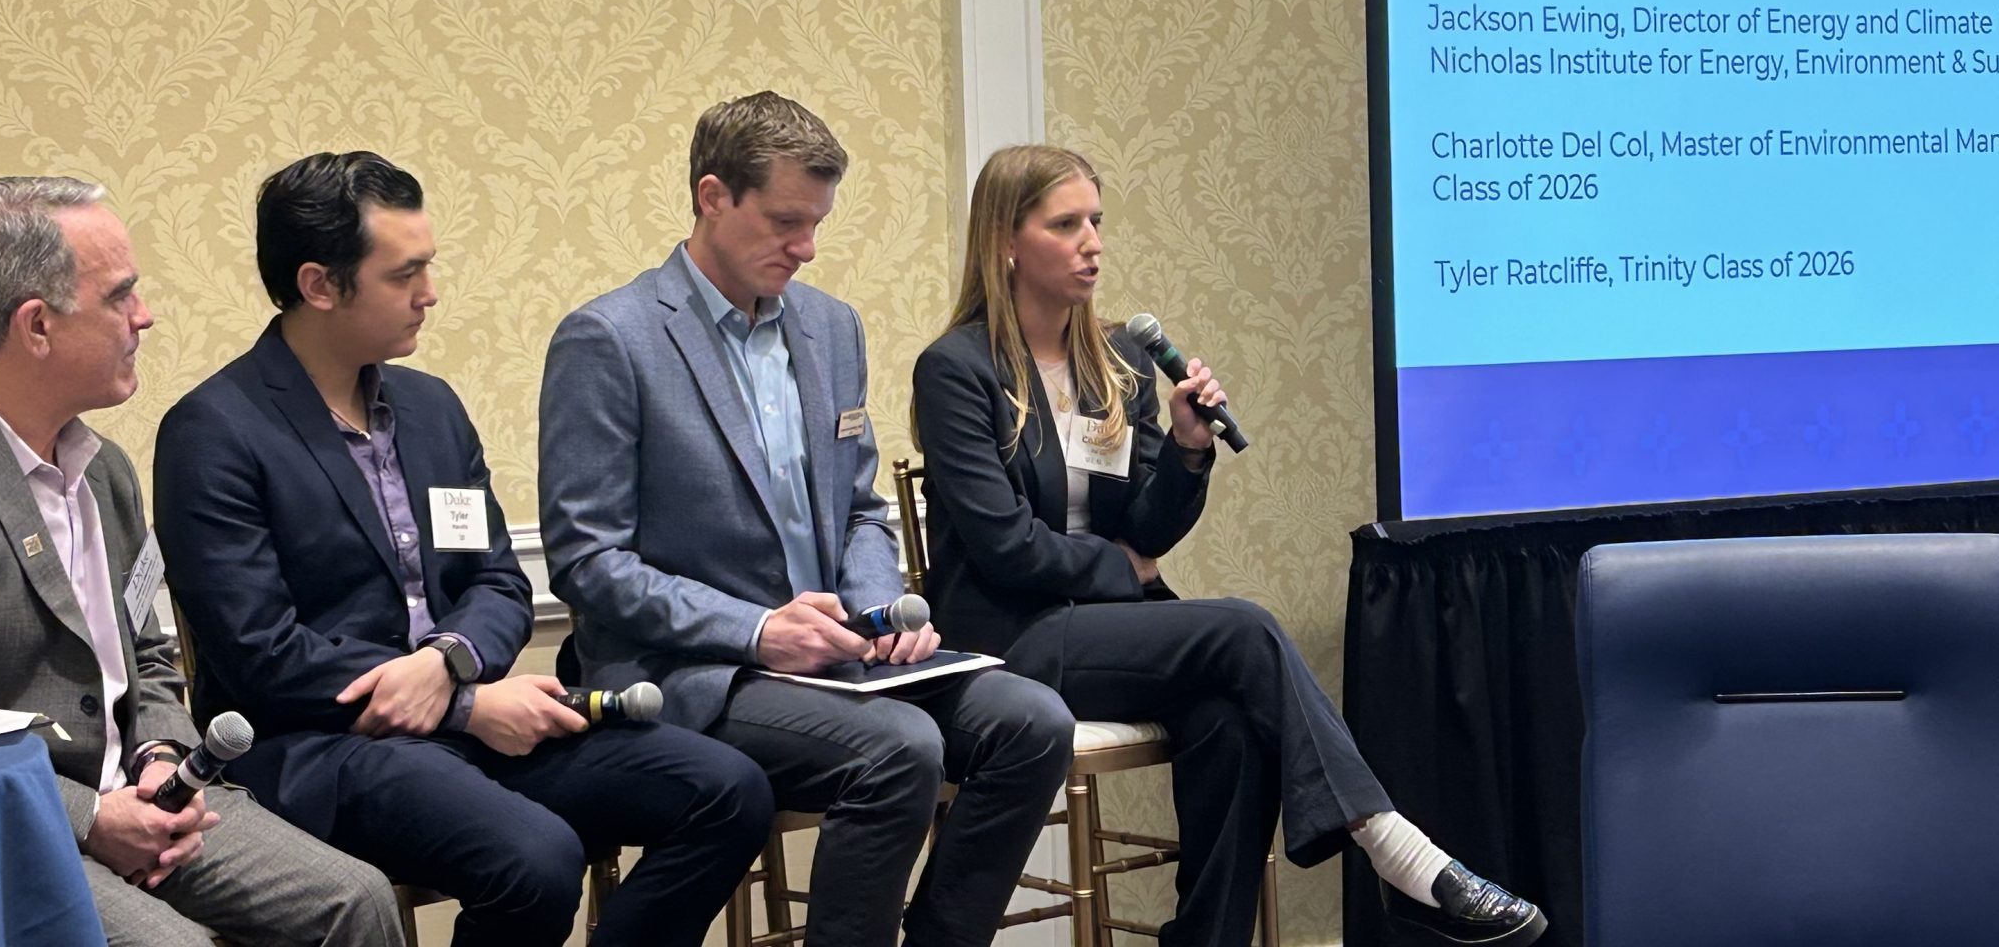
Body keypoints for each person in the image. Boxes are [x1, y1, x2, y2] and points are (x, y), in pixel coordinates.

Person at [910, 144, 1548, 947]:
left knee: (1230, 721)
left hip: (1104, 628)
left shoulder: (1122, 362)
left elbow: (1149, 530)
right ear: (1006, 239)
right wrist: (1122, 568)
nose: (1092, 243)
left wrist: (1186, 449)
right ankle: (1396, 850)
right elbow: (1004, 547)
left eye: (1097, 222)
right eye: (1065, 224)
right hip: (1007, 639)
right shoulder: (957, 369)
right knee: (1242, 627)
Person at [154, 152, 771, 947]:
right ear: (319, 285)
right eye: (403, 273)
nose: (431, 292)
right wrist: (467, 704)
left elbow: (500, 582)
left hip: (465, 716)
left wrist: (451, 664)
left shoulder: (431, 408)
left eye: (429, 266)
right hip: (322, 747)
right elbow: (258, 653)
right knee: (538, 860)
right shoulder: (215, 430)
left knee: (728, 791)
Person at [0, 177, 401, 947]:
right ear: (37, 325)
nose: (144, 316)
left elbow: (147, 653)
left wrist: (161, 758)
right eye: (121, 296)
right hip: (9, 825)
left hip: (147, 795)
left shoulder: (103, 466)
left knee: (356, 900)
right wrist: (90, 819)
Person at [539, 91, 1075, 947]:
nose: (807, 247)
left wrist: (880, 608)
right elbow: (589, 561)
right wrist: (757, 631)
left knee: (1034, 721)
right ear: (713, 197)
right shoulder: (612, 338)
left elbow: (861, 507)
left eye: (818, 222)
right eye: (786, 222)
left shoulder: (831, 328)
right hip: (703, 669)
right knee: (898, 748)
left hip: (843, 656)